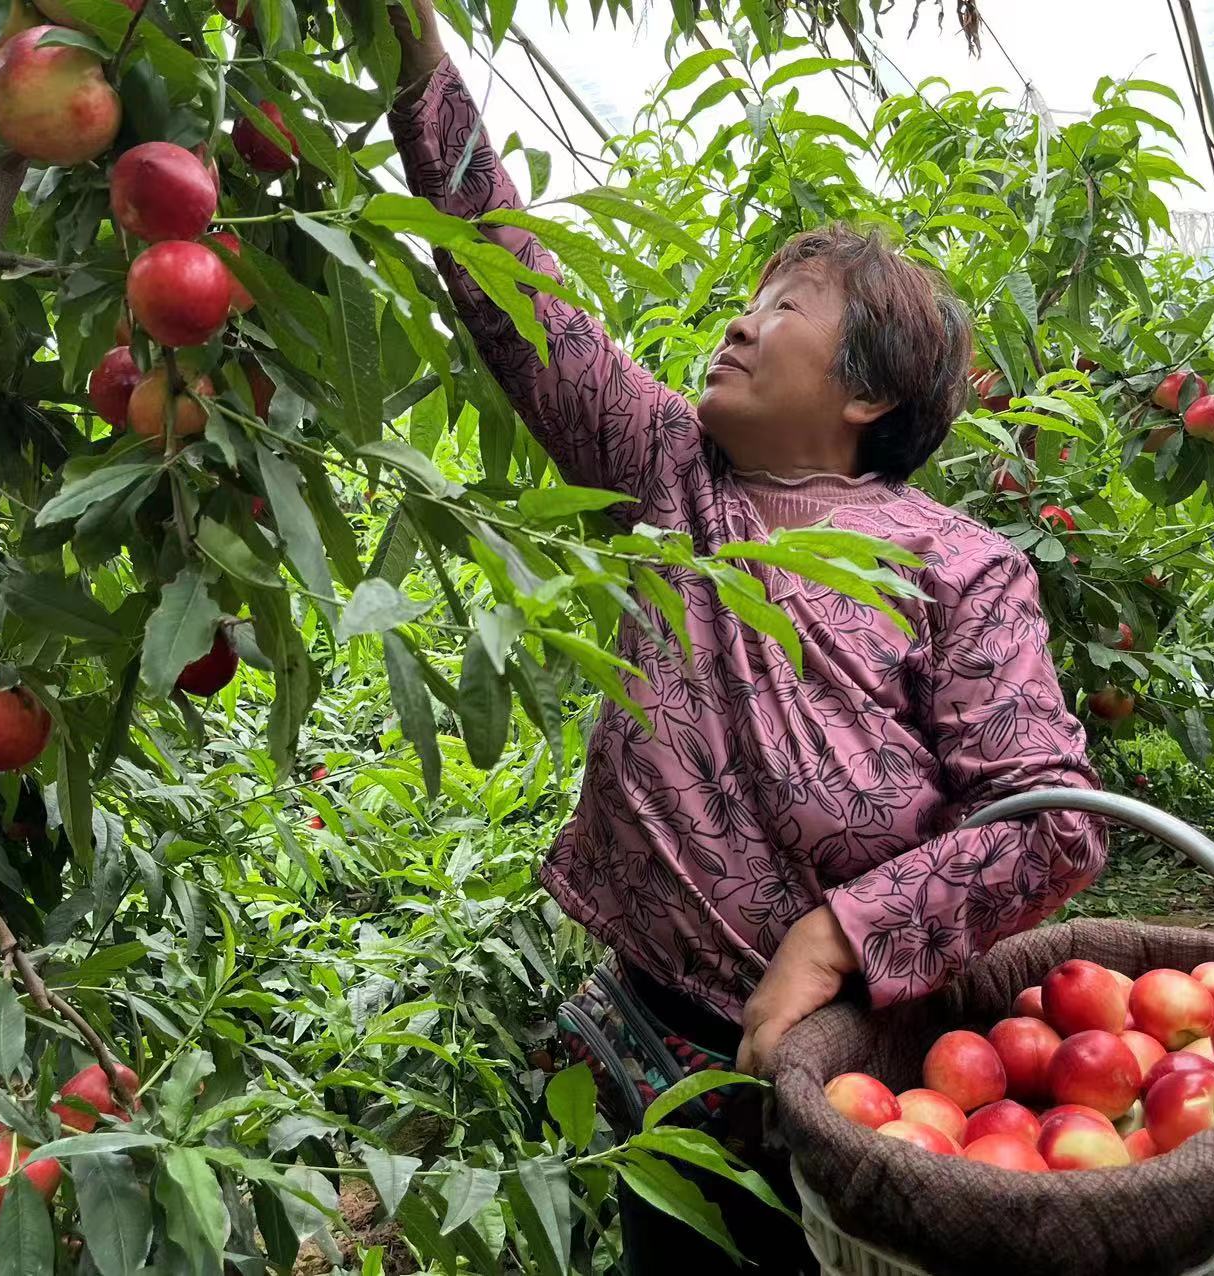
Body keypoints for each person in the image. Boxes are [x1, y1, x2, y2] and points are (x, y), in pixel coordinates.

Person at [383, 6, 1106, 1270]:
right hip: (659, 1031)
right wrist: (422, 70)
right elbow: (519, 299)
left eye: (787, 305)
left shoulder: (960, 567)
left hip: (857, 1056)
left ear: (867, 392)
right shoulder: (671, 469)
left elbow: (1050, 821)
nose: (740, 319)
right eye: (754, 295)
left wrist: (832, 936)